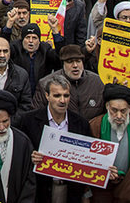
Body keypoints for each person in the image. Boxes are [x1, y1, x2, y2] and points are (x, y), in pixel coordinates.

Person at [17, 73, 90, 203]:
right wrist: (31, 157)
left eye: (66, 96)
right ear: (47, 96)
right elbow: (19, 153)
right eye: (57, 95)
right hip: (40, 191)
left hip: (70, 191)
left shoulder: (81, 123)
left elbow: (89, 158)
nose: (62, 100)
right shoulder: (28, 121)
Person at [31, 44, 104, 121]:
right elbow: (36, 115)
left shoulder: (98, 82)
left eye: (78, 61)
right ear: (63, 64)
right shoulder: (46, 83)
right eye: (70, 62)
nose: (75, 65)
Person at [0, 37, 32, 113]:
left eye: (5, 51)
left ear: (10, 52)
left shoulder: (21, 74)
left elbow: (25, 105)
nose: (2, 55)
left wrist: (10, 121)